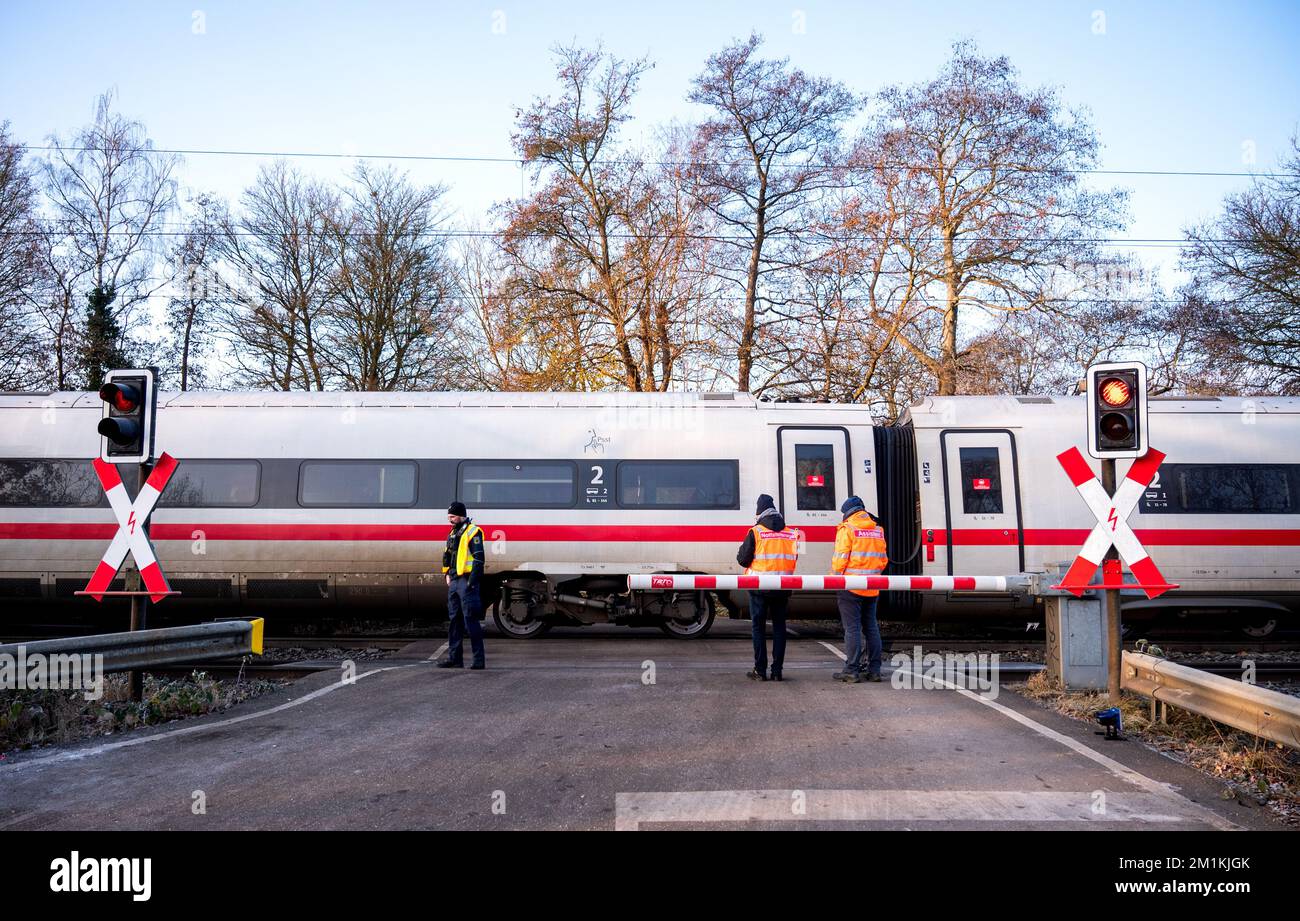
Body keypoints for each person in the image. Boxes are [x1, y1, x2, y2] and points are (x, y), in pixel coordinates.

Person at [736, 494, 800, 681]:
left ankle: (760, 670)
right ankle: (777, 671)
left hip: (759, 587)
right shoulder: (790, 533)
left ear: (759, 513)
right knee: (780, 628)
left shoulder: (756, 532)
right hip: (782, 587)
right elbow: (793, 558)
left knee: (759, 628)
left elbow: (743, 559)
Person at [831, 495, 888, 683]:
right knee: (871, 627)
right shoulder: (878, 530)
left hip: (850, 586)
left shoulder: (847, 529)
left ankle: (852, 670)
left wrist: (836, 578)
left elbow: (840, 561)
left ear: (847, 513)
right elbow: (883, 561)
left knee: (852, 629)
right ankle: (875, 670)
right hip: (873, 586)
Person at [437, 501, 486, 670]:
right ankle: (455, 658)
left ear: (461, 515)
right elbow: (447, 555)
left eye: (452, 517)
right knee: (454, 621)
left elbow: (479, 559)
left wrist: (472, 581)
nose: (450, 520)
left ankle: (478, 660)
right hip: (454, 580)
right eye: (449, 517)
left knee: (470, 620)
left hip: (466, 581)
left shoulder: (473, 532)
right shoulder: (453, 532)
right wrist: (447, 574)